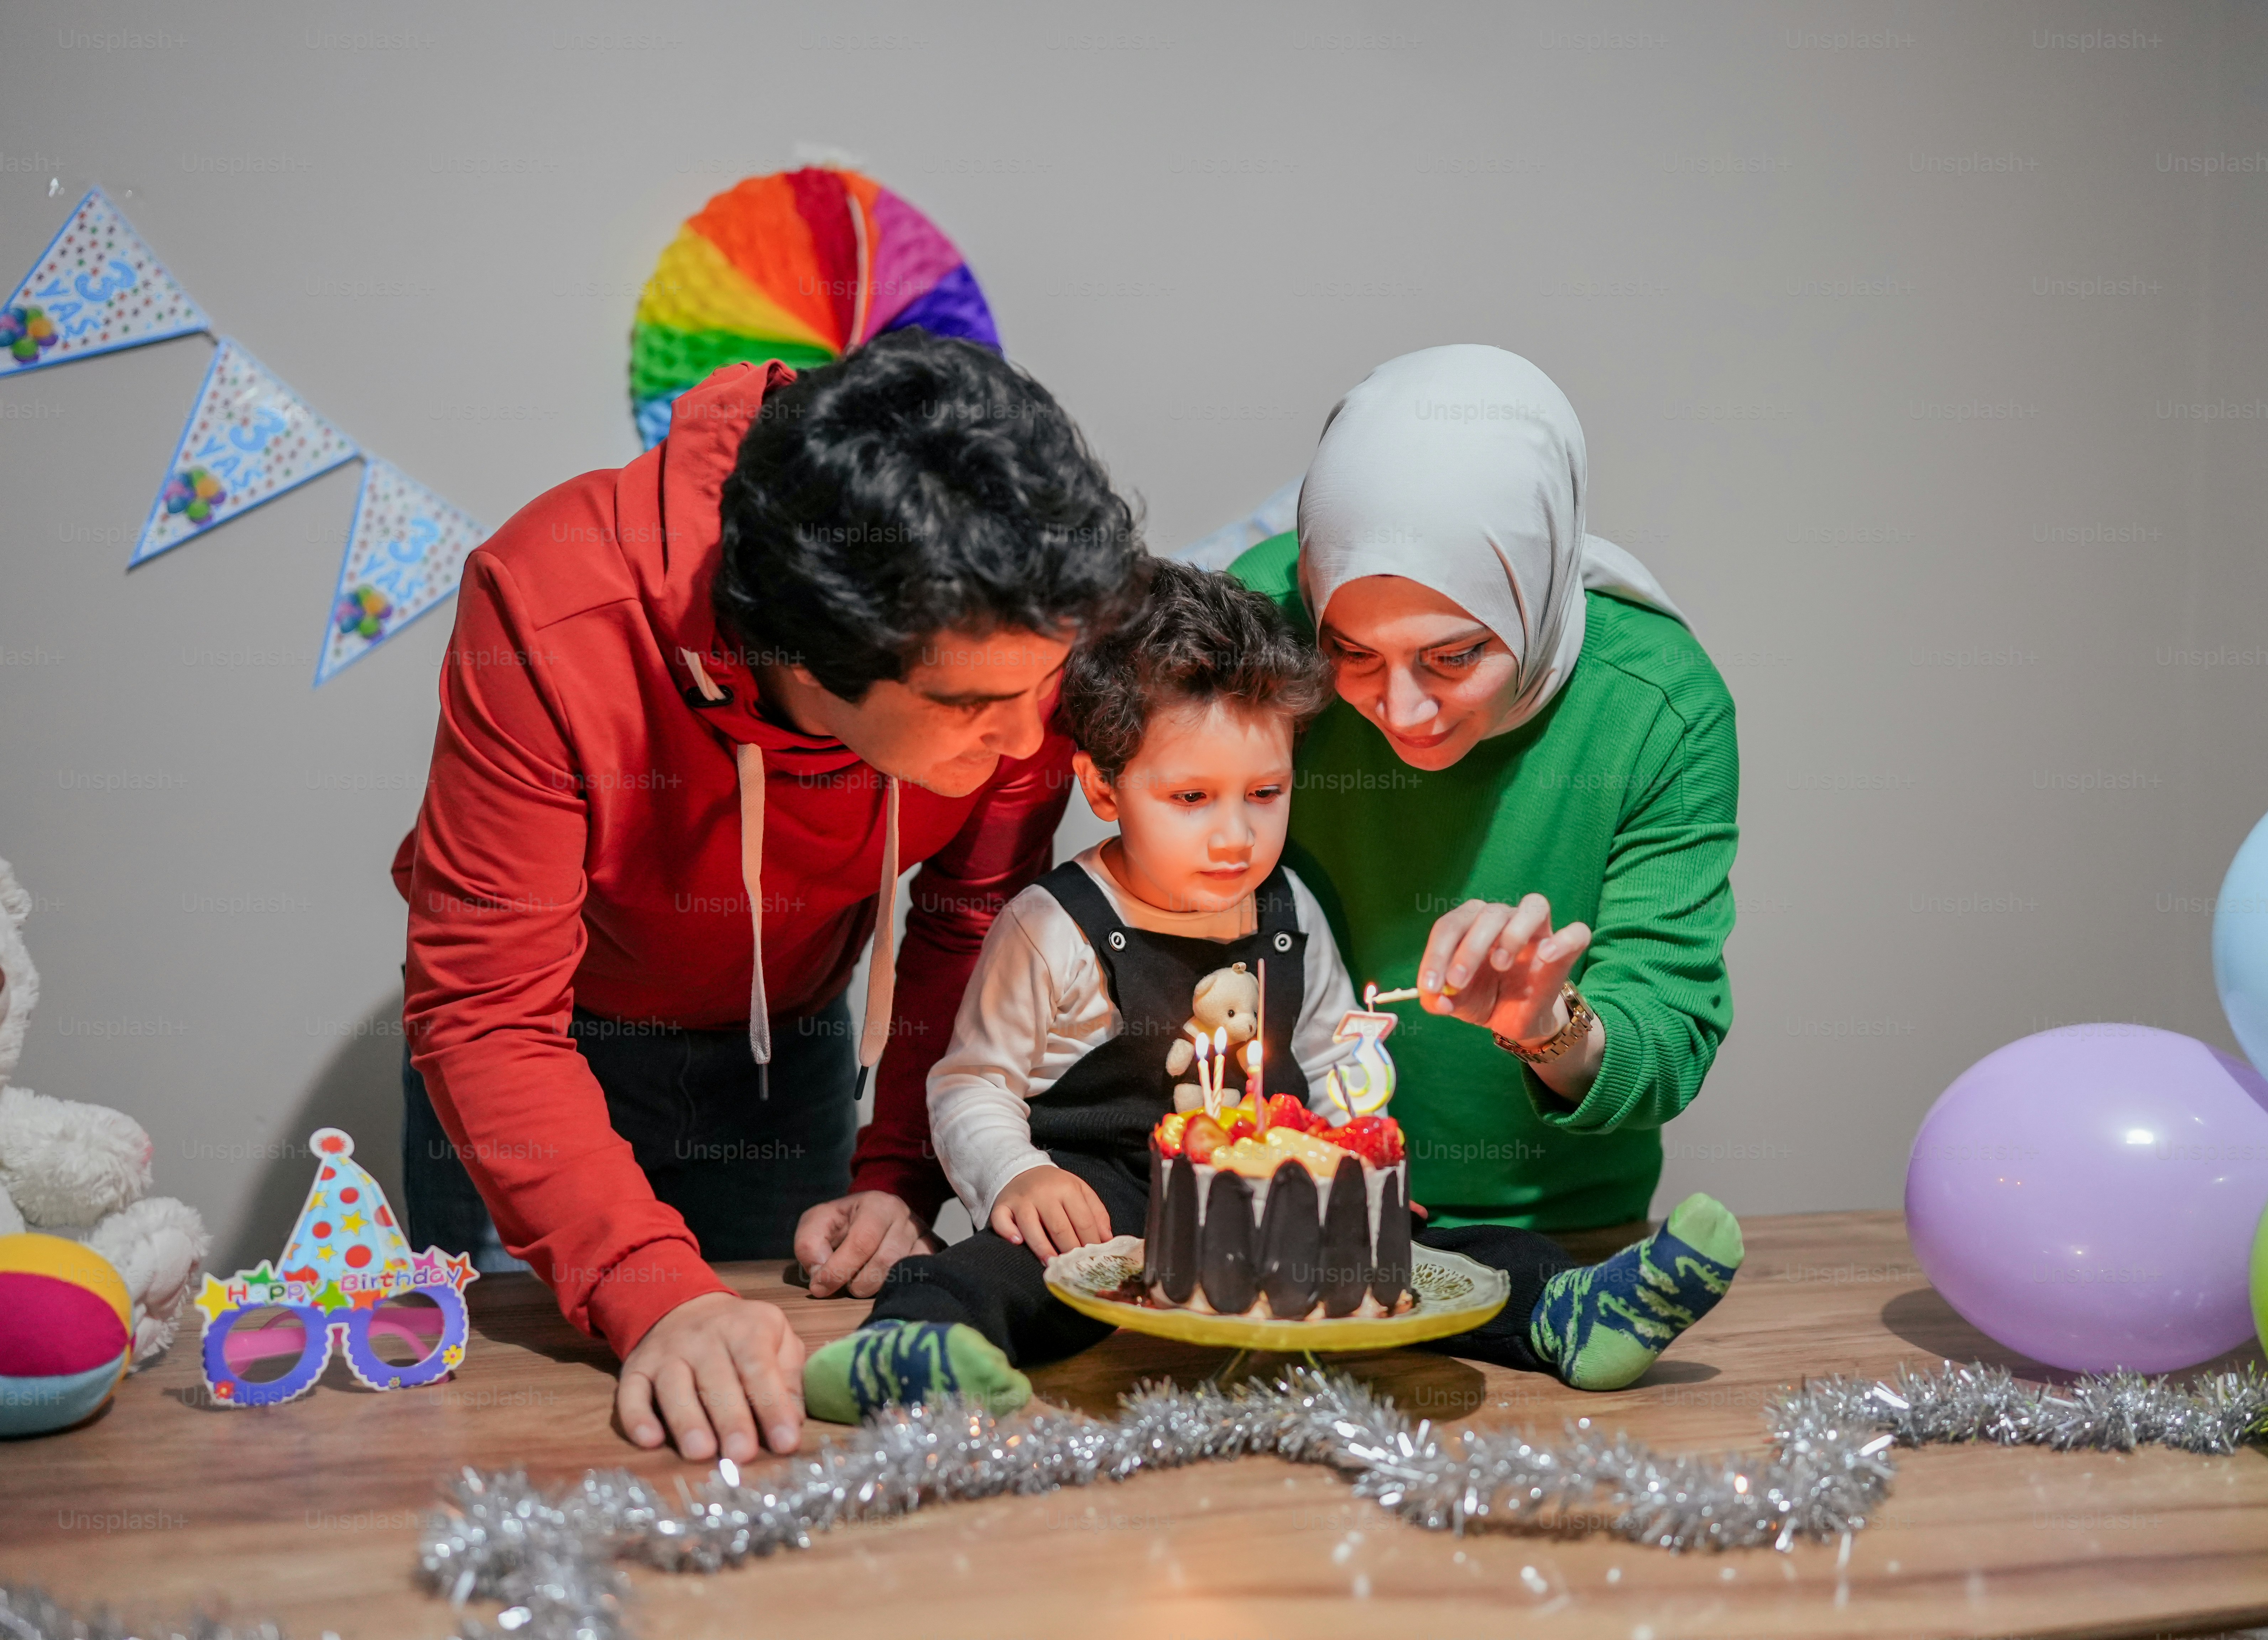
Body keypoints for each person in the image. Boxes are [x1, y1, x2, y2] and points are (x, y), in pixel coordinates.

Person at [393, 332, 1144, 1464]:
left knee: (780, 1422)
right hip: (542, 1063)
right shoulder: (550, 604)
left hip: (788, 1047)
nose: (1032, 738)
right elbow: (489, 1015)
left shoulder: (1015, 640)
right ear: (812, 652)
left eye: (1049, 683)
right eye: (975, 704)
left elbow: (966, 929)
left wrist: (896, 1172)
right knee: (526, 1451)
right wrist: (654, 1291)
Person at [799, 562, 1741, 1421]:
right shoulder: (1054, 926)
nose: (1235, 837)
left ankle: (1576, 1312)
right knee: (990, 1274)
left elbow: (1332, 1051)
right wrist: (1018, 1176)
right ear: (1101, 784)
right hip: (1108, 1207)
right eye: (1192, 798)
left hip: (1277, 1199)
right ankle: (904, 1351)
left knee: (1440, 1258)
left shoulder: (1289, 906)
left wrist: (1358, 1148)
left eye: (1266, 791)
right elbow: (970, 1083)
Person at [1227, 343, 1740, 1252]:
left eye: (1454, 656)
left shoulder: (1658, 705)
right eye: (1351, 653)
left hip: (1552, 1234)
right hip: (1271, 1212)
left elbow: (1670, 1040)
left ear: (1535, 591)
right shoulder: (1258, 629)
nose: (1405, 709)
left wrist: (1548, 1025)